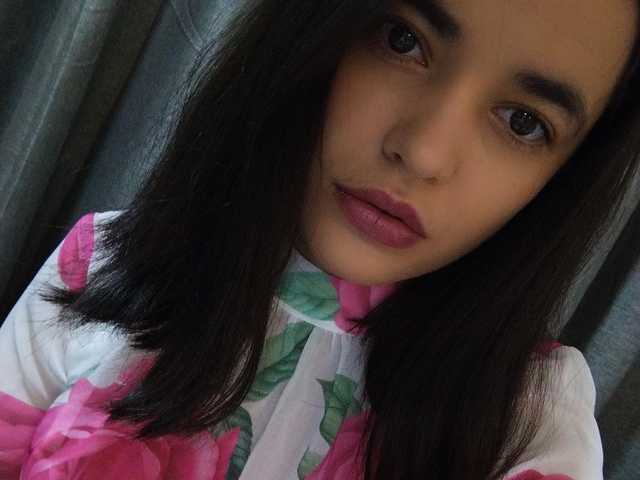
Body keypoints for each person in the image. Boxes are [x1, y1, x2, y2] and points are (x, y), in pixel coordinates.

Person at [1, 0, 639, 478]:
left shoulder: (530, 418)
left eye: (524, 123)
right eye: (402, 40)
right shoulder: (101, 264)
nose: (422, 151)